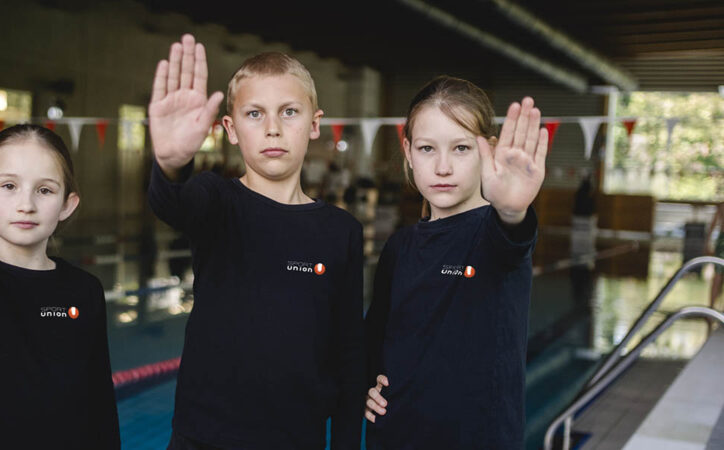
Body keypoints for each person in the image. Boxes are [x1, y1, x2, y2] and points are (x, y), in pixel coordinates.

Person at [147, 34, 365, 449]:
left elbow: (350, 353)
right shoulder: (216, 201)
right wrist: (172, 165)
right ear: (230, 128)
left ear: (315, 124)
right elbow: (172, 204)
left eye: (289, 112)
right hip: (204, 437)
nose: (272, 128)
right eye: (254, 114)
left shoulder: (341, 231)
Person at [364, 76, 547, 449]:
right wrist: (366, 383)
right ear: (408, 152)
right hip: (397, 436)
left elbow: (513, 238)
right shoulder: (400, 247)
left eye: (461, 148)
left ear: (488, 150)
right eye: (427, 148)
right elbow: (374, 340)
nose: (442, 167)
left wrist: (512, 210)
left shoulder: (494, 236)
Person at [0, 125, 120, 449]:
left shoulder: (85, 290)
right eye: (8, 186)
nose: (26, 204)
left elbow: (100, 397)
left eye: (44, 190)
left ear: (67, 204)